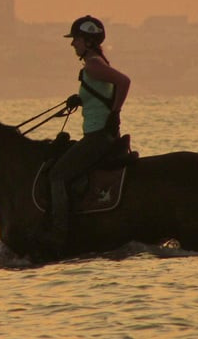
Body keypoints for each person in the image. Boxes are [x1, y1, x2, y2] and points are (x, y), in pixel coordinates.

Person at [46, 15, 131, 252]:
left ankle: (59, 234)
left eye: (76, 39)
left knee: (57, 175)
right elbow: (100, 97)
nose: (73, 44)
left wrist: (115, 113)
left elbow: (124, 81)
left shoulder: (94, 65)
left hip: (98, 137)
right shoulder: (96, 64)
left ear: (88, 42)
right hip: (95, 134)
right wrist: (81, 99)